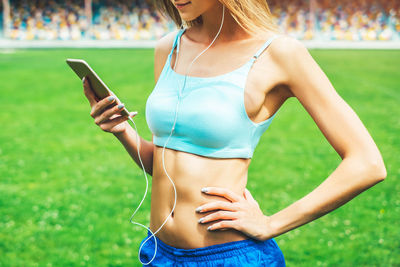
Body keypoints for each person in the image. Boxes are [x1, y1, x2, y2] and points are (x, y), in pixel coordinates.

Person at [82, 0, 387, 265]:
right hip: (159, 253)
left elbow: (367, 164)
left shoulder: (278, 53)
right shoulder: (168, 47)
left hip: (230, 256)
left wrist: (270, 224)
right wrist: (122, 130)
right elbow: (165, 167)